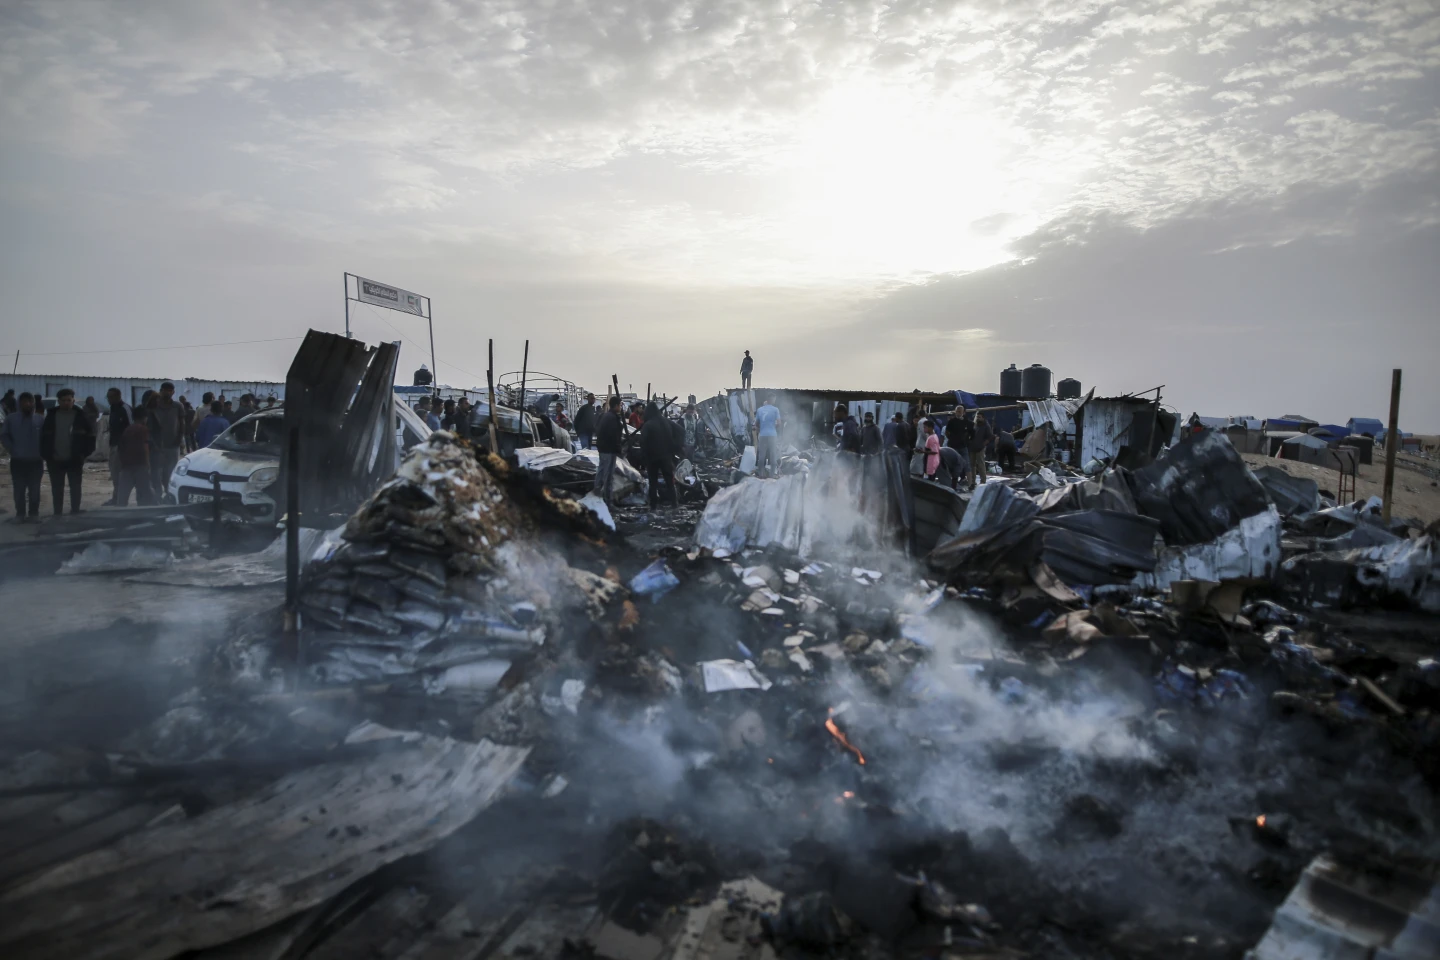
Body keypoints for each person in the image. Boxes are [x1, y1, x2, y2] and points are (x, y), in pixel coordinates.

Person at [41, 388, 97, 515]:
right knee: (57, 488)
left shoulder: (81, 416)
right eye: (63, 400)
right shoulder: (51, 416)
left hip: (75, 459)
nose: (66, 403)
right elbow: (44, 437)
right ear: (59, 401)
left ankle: (75, 510)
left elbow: (91, 436)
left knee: (75, 487)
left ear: (73, 400)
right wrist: (46, 454)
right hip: (55, 459)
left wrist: (84, 454)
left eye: (69, 400)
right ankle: (57, 512)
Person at [1, 391, 45, 521]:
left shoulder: (40, 419)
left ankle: (33, 514)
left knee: (34, 490)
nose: (27, 404)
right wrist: (12, 449)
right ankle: (20, 514)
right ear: (19, 403)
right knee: (19, 490)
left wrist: (43, 452)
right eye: (24, 401)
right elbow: (4, 435)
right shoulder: (11, 419)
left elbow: (47, 438)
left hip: (36, 461)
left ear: (34, 403)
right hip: (18, 461)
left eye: (30, 401)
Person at [147, 381, 185, 497]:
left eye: (170, 390)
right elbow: (149, 426)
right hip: (157, 446)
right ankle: (157, 497)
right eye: (165, 390)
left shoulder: (178, 406)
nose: (167, 393)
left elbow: (182, 423)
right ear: (161, 391)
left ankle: (169, 495)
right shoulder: (153, 406)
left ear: (173, 392)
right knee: (156, 473)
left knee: (170, 473)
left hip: (173, 445)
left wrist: (179, 439)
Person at [641, 401, 678, 508]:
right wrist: (674, 449)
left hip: (652, 458)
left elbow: (643, 442)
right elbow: (676, 433)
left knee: (653, 483)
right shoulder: (666, 422)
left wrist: (644, 456)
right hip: (666, 457)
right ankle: (674, 503)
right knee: (669, 481)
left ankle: (653, 505)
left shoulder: (648, 425)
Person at [115, 411, 155, 506]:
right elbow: (145, 446)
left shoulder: (127, 429)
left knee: (123, 493)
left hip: (126, 464)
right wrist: (147, 463)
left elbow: (120, 447)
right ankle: (144, 512)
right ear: (143, 418)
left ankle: (119, 514)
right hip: (140, 464)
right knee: (144, 492)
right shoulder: (143, 429)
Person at [103, 388, 133, 505]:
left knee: (122, 475)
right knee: (115, 474)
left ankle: (120, 499)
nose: (109, 400)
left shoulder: (125, 408)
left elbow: (131, 427)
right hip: (114, 445)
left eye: (111, 397)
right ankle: (116, 498)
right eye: (108, 397)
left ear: (118, 396)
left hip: (124, 447)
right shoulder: (113, 409)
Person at [593, 396, 624, 504]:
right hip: (609, 449)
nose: (621, 407)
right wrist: (618, 449)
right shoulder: (612, 418)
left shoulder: (606, 416)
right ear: (615, 406)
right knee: (608, 476)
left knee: (601, 471)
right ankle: (607, 500)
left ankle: (596, 496)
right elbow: (614, 436)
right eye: (620, 405)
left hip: (603, 449)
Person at [754, 395, 782, 478]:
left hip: (762, 435)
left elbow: (756, 423)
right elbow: (779, 423)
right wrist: (773, 427)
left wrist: (761, 429)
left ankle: (761, 475)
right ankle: (772, 476)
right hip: (772, 435)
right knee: (773, 455)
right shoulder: (775, 409)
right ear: (773, 400)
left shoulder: (760, 410)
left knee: (761, 456)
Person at [969, 413, 993, 487]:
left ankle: (983, 481)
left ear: (983, 418)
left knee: (981, 465)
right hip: (972, 447)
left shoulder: (986, 425)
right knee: (972, 465)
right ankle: (972, 481)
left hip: (980, 448)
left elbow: (990, 437)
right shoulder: (974, 425)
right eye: (977, 417)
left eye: (979, 417)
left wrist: (983, 445)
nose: (978, 418)